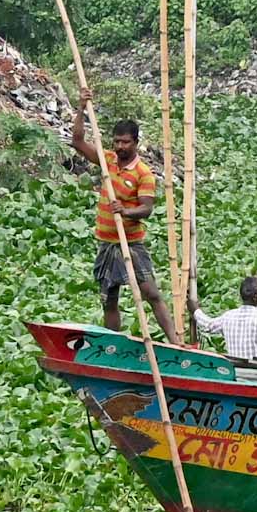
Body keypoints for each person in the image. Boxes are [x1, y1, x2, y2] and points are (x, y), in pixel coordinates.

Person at [70, 89, 178, 342]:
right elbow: (77, 141)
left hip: (130, 242)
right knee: (109, 297)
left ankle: (175, 341)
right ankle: (112, 343)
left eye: (125, 142)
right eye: (117, 141)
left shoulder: (143, 173)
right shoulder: (108, 160)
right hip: (107, 242)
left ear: (135, 143)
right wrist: (82, 107)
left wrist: (125, 211)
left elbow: (147, 208)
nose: (120, 146)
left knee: (150, 292)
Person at [191, 274, 257, 361]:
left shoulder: (228, 317)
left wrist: (195, 310)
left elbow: (208, 325)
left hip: (236, 372)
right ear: (255, 297)